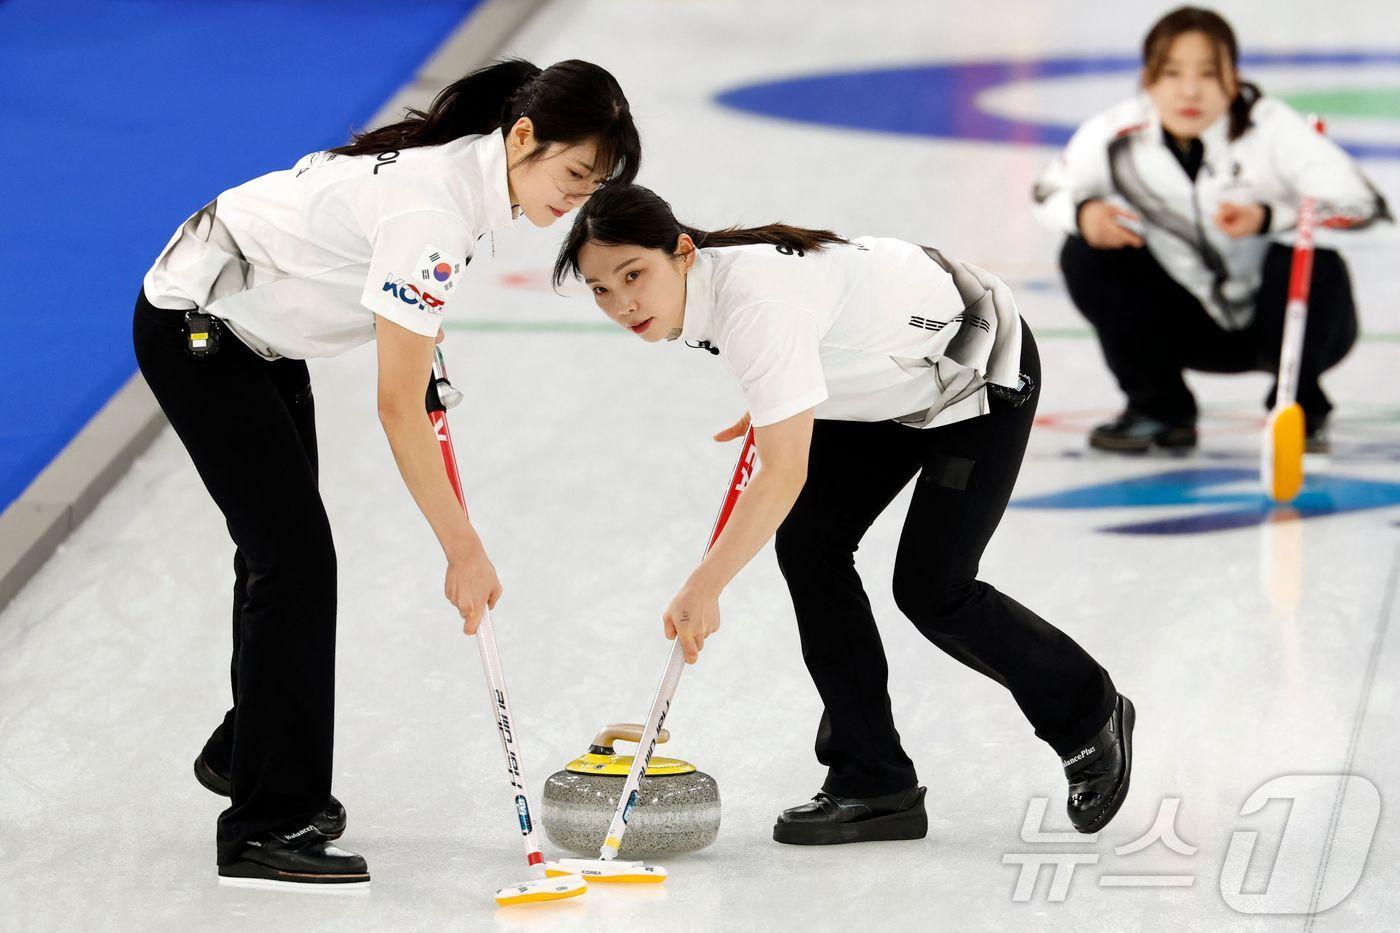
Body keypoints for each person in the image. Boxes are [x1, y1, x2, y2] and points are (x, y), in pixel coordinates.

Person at [135, 59, 639, 887]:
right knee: (291, 562)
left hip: (259, 336)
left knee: (281, 555)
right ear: (522, 138)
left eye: (594, 185)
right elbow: (397, 408)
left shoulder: (465, 185)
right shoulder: (434, 208)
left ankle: (251, 755)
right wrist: (463, 548)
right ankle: (266, 821)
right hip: (201, 330)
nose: (575, 200)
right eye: (575, 174)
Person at [554, 184, 1132, 844]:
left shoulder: (753, 299)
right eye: (601, 289)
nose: (623, 302)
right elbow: (815, 331)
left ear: (682, 253)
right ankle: (872, 778)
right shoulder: (719, 285)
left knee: (933, 587)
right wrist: (781, 395)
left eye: (634, 275)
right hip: (889, 377)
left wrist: (703, 586)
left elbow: (782, 471)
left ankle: (1090, 713)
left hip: (976, 368)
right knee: (810, 543)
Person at [1033, 6, 1389, 453]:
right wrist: (1084, 214)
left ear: (1234, 76)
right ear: (1148, 79)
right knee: (1084, 252)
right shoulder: (1117, 135)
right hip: (1186, 324)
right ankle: (1159, 408)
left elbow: (1368, 208)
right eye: (1171, 72)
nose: (1189, 90)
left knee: (1310, 258)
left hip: (1285, 326)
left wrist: (1269, 217)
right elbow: (1047, 191)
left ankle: (1301, 406)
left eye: (1207, 73)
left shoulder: (1275, 129)